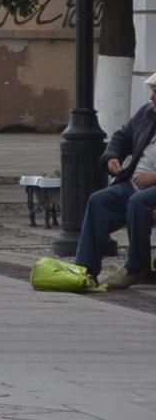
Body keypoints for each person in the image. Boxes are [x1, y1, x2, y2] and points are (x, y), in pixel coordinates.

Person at [76, 72, 156, 288]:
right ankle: (86, 269)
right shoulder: (148, 113)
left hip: (150, 188)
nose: (151, 98)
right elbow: (122, 136)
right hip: (135, 184)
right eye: (152, 92)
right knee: (99, 200)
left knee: (139, 204)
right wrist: (113, 157)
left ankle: (135, 267)